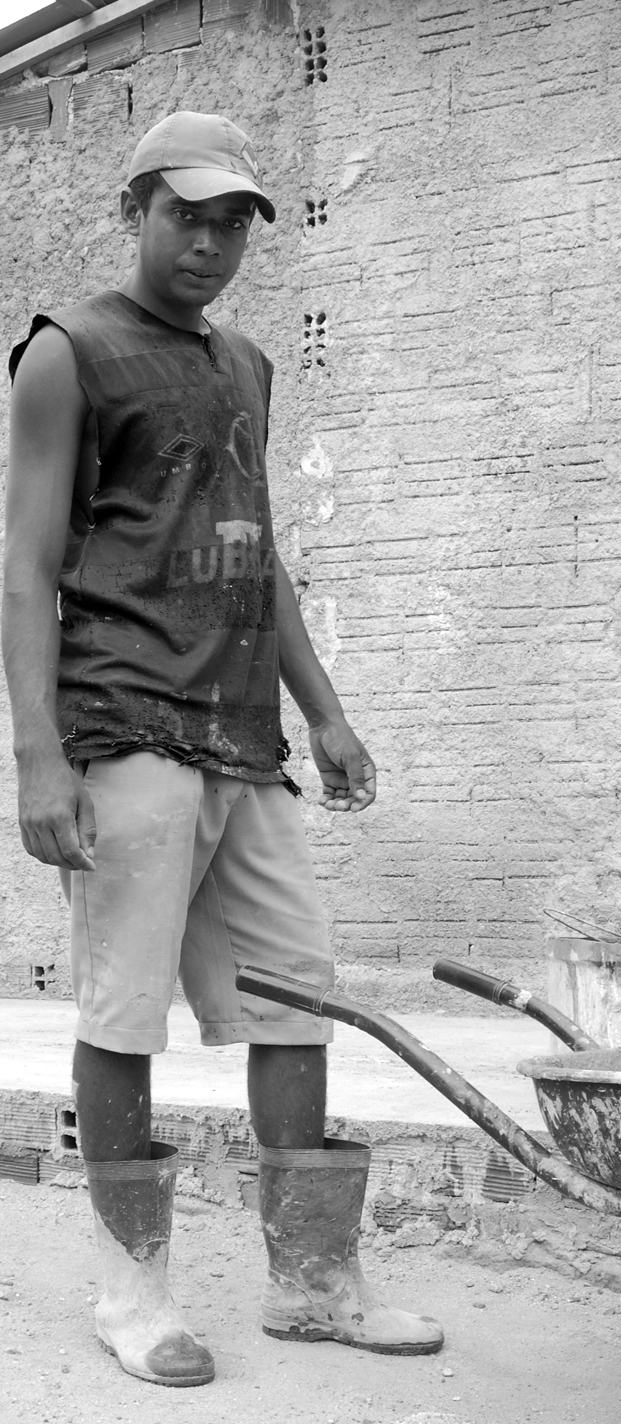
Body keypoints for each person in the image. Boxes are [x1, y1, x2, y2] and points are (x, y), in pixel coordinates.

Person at [2, 110, 443, 1388]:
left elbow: (262, 556)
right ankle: (130, 1289)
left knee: (295, 995)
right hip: (125, 718)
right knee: (124, 1013)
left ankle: (311, 1284)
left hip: (244, 739)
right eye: (184, 214)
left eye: (231, 220)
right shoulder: (67, 353)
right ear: (134, 208)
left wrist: (327, 711)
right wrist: (38, 755)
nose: (207, 242)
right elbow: (26, 569)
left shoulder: (247, 361)